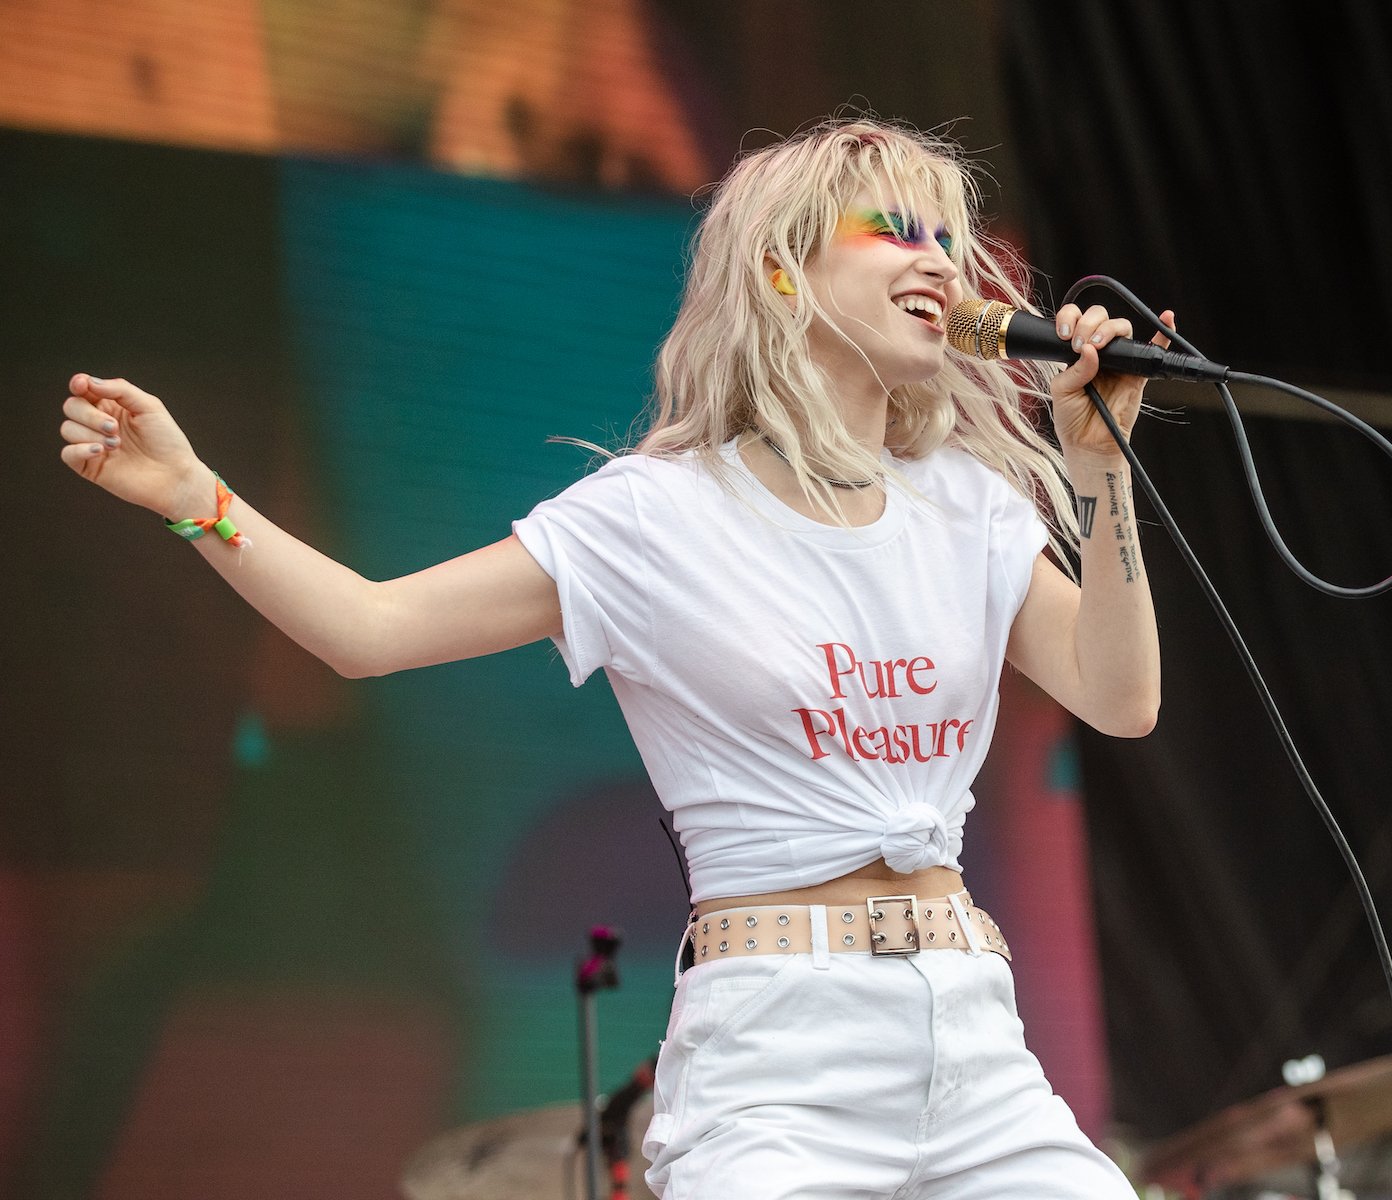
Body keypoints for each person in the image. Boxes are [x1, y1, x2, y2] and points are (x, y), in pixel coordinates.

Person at [56, 117, 1169, 1198]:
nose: (941, 265)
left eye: (945, 239)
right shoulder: (659, 516)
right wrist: (195, 499)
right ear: (782, 272)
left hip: (974, 1028)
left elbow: (1121, 699)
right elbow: (370, 631)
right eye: (898, 232)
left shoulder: (967, 507)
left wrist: (1098, 470)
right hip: (783, 1051)